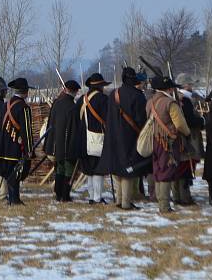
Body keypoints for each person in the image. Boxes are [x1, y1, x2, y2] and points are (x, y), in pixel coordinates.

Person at [98, 68, 148, 211]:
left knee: (118, 169)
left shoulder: (114, 93)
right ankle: (125, 203)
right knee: (128, 170)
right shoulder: (138, 96)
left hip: (113, 135)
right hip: (129, 137)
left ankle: (120, 200)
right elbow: (141, 119)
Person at [147, 76, 191, 214]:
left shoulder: (150, 102)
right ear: (169, 88)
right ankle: (164, 206)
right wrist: (187, 133)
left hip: (154, 140)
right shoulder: (170, 103)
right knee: (166, 172)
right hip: (168, 143)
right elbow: (180, 124)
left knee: (158, 171)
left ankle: (161, 202)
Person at [0, 77, 34, 206]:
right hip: (15, 148)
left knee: (10, 174)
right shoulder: (24, 108)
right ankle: (14, 199)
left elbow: (0, 127)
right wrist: (29, 149)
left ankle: (13, 198)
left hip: (2, 147)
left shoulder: (6, 105)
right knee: (15, 174)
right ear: (25, 91)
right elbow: (26, 131)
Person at [44, 80, 81, 203]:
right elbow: (75, 130)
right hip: (68, 146)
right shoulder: (72, 107)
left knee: (59, 169)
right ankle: (65, 195)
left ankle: (58, 193)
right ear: (75, 92)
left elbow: (50, 123)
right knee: (68, 170)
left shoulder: (56, 103)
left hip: (56, 145)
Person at [174, 73, 206, 206]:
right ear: (185, 85)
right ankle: (184, 198)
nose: (192, 86)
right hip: (187, 138)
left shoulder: (181, 98)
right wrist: (202, 120)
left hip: (184, 138)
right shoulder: (184, 100)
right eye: (190, 84)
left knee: (184, 168)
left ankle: (180, 196)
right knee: (185, 169)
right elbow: (189, 121)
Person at [79, 73, 110, 205]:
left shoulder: (82, 99)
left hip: (83, 138)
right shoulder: (103, 99)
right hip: (98, 138)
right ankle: (97, 197)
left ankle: (92, 197)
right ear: (100, 86)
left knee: (88, 170)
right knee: (98, 169)